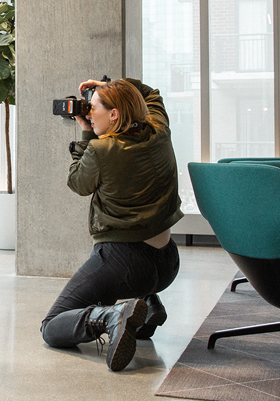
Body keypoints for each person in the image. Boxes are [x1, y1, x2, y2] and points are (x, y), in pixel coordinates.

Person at [40, 78, 182, 371]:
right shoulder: (159, 129)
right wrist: (111, 84)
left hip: (124, 265)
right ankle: (149, 305)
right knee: (137, 273)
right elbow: (150, 93)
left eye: (93, 109)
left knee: (51, 327)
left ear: (115, 114)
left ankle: (112, 316)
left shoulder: (101, 150)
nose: (89, 114)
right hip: (167, 263)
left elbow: (78, 183)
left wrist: (85, 134)